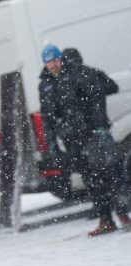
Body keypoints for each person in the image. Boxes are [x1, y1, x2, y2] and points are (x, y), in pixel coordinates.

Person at [39, 45, 131, 236]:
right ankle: (106, 219)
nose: (53, 65)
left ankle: (122, 215)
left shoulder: (77, 74)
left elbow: (96, 99)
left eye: (55, 60)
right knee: (92, 181)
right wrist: (53, 145)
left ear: (61, 59)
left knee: (109, 174)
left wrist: (97, 127)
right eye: (49, 62)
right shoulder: (46, 85)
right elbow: (48, 118)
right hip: (73, 140)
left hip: (91, 135)